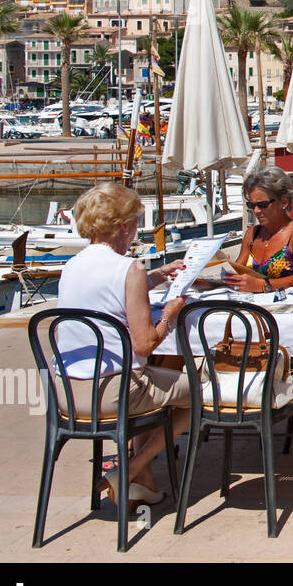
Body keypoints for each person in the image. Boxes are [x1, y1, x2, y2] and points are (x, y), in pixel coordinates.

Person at [55, 183, 188, 509]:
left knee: (155, 383)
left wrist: (156, 276)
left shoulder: (71, 266)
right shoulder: (129, 269)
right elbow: (144, 345)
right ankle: (130, 469)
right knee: (201, 392)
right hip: (115, 392)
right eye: (135, 223)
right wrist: (170, 314)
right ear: (124, 226)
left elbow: (108, 290)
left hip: (68, 394)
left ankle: (140, 484)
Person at [227, 166, 293, 292]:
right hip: (251, 305)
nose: (256, 211)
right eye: (252, 205)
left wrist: (263, 285)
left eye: (262, 205)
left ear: (284, 202)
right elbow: (239, 269)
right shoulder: (252, 233)